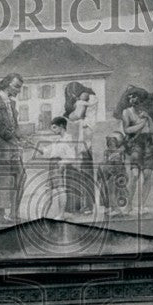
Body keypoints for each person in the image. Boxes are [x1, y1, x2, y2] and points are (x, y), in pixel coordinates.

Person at [0, 72, 26, 224]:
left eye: (20, 87)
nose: (18, 90)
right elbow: (0, 128)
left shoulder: (12, 103)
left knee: (21, 177)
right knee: (2, 181)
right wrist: (16, 141)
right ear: (6, 83)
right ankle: (1, 216)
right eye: (16, 86)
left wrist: (22, 138)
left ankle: (14, 214)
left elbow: (14, 126)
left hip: (12, 148)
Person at [117, 87, 153, 214]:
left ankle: (142, 205)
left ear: (140, 98)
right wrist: (141, 124)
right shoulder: (126, 112)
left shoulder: (147, 112)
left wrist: (148, 118)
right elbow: (127, 130)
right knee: (134, 175)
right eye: (129, 97)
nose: (131, 99)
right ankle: (129, 206)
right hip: (135, 144)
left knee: (147, 175)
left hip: (148, 143)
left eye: (134, 97)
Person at [63, 82, 97, 214]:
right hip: (75, 140)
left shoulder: (89, 98)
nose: (73, 96)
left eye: (73, 93)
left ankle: (87, 205)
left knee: (85, 172)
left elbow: (76, 116)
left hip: (83, 140)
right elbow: (71, 117)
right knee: (73, 172)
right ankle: (73, 205)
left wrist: (69, 117)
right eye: (70, 94)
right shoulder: (78, 102)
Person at [43, 116, 77, 218]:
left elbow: (72, 157)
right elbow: (48, 152)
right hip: (52, 165)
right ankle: (43, 216)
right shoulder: (58, 139)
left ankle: (61, 214)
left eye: (54, 127)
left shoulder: (68, 139)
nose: (52, 130)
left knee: (60, 189)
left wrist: (62, 163)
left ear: (61, 126)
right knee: (48, 190)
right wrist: (32, 146)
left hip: (59, 165)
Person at [97, 131, 129, 213]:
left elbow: (122, 163)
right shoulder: (107, 152)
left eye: (113, 142)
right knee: (107, 189)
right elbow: (105, 162)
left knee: (116, 190)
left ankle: (116, 208)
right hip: (108, 173)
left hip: (118, 174)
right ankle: (109, 208)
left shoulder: (120, 152)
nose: (111, 144)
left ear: (116, 143)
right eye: (110, 142)